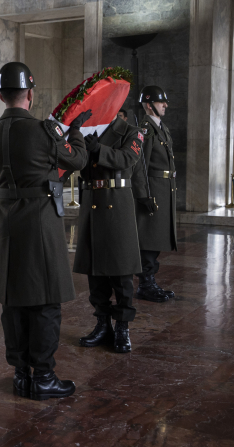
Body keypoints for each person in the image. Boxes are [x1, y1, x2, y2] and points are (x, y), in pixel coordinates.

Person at [0, 62, 87, 401]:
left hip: (8, 222)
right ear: (30, 94)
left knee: (14, 300)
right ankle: (43, 377)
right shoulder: (44, 131)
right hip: (40, 222)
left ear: (1, 94)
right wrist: (76, 132)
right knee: (44, 301)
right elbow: (78, 160)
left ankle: (21, 375)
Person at [74, 100, 147, 354]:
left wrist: (99, 150)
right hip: (92, 202)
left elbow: (128, 159)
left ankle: (123, 328)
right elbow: (78, 166)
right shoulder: (88, 131)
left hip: (118, 205)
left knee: (122, 271)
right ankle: (102, 324)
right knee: (95, 271)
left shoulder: (132, 132)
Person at [131, 85, 177, 301]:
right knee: (149, 240)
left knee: (156, 238)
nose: (165, 105)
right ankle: (145, 285)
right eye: (161, 102)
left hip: (163, 191)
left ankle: (150, 282)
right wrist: (143, 195)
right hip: (153, 193)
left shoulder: (161, 128)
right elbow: (140, 166)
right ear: (149, 106)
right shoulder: (145, 130)